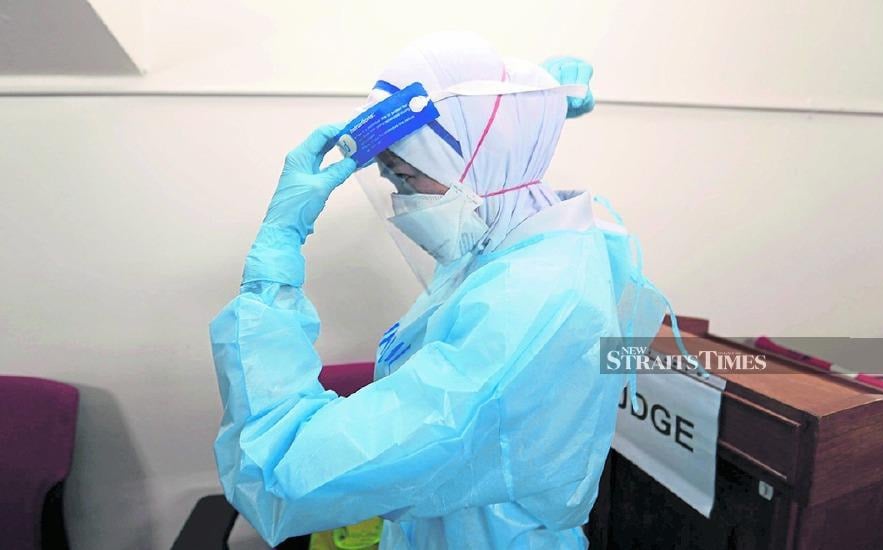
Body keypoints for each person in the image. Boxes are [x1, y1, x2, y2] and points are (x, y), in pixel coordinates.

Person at [210, 32, 673, 549]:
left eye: (407, 178)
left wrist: (272, 265)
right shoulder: (517, 245)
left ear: (480, 160)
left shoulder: (531, 300)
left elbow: (285, 472)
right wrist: (524, 113)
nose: (403, 200)